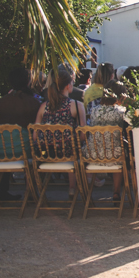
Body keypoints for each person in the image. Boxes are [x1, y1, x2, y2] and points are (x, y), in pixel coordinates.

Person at [0, 67, 42, 200]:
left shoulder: (3, 101)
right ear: (28, 81)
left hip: (0, 149)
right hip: (23, 150)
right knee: (38, 147)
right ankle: (32, 189)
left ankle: (0, 191)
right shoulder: (33, 102)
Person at [35, 70, 86, 199]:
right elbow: (83, 133)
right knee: (74, 149)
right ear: (68, 86)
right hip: (68, 153)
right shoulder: (76, 105)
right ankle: (72, 188)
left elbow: (35, 134)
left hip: (46, 152)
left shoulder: (44, 106)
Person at [88, 79, 128, 205]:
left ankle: (88, 194)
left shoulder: (94, 110)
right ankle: (116, 192)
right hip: (115, 155)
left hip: (94, 154)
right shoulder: (121, 112)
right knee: (121, 152)